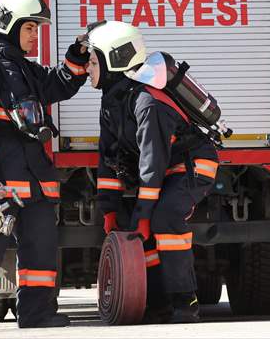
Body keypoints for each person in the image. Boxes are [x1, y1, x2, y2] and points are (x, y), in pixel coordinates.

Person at [0, 0, 89, 331]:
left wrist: (77, 57)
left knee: (41, 251)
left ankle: (37, 312)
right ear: (7, 24)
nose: (34, 35)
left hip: (36, 183)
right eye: (29, 28)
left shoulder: (26, 70)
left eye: (36, 29)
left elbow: (59, 84)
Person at [85, 20, 219, 324]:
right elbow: (108, 159)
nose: (87, 69)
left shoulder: (148, 101)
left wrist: (144, 213)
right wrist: (109, 210)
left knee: (163, 218)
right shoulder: (112, 100)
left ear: (112, 61)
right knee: (132, 223)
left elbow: (152, 162)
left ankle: (186, 302)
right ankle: (157, 302)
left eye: (93, 61)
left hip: (192, 166)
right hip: (163, 170)